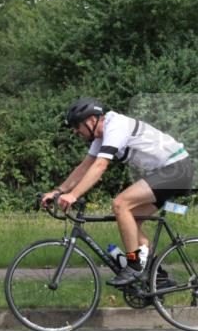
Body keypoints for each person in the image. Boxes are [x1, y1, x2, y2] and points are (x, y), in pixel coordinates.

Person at [44, 97, 193, 287]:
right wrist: (58, 191)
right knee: (132, 217)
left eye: (77, 125)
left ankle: (134, 266)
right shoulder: (102, 135)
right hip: (167, 172)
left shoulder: (116, 126)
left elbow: (100, 166)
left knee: (121, 204)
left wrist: (73, 195)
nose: (75, 131)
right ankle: (157, 275)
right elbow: (85, 166)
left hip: (176, 169)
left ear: (91, 120)